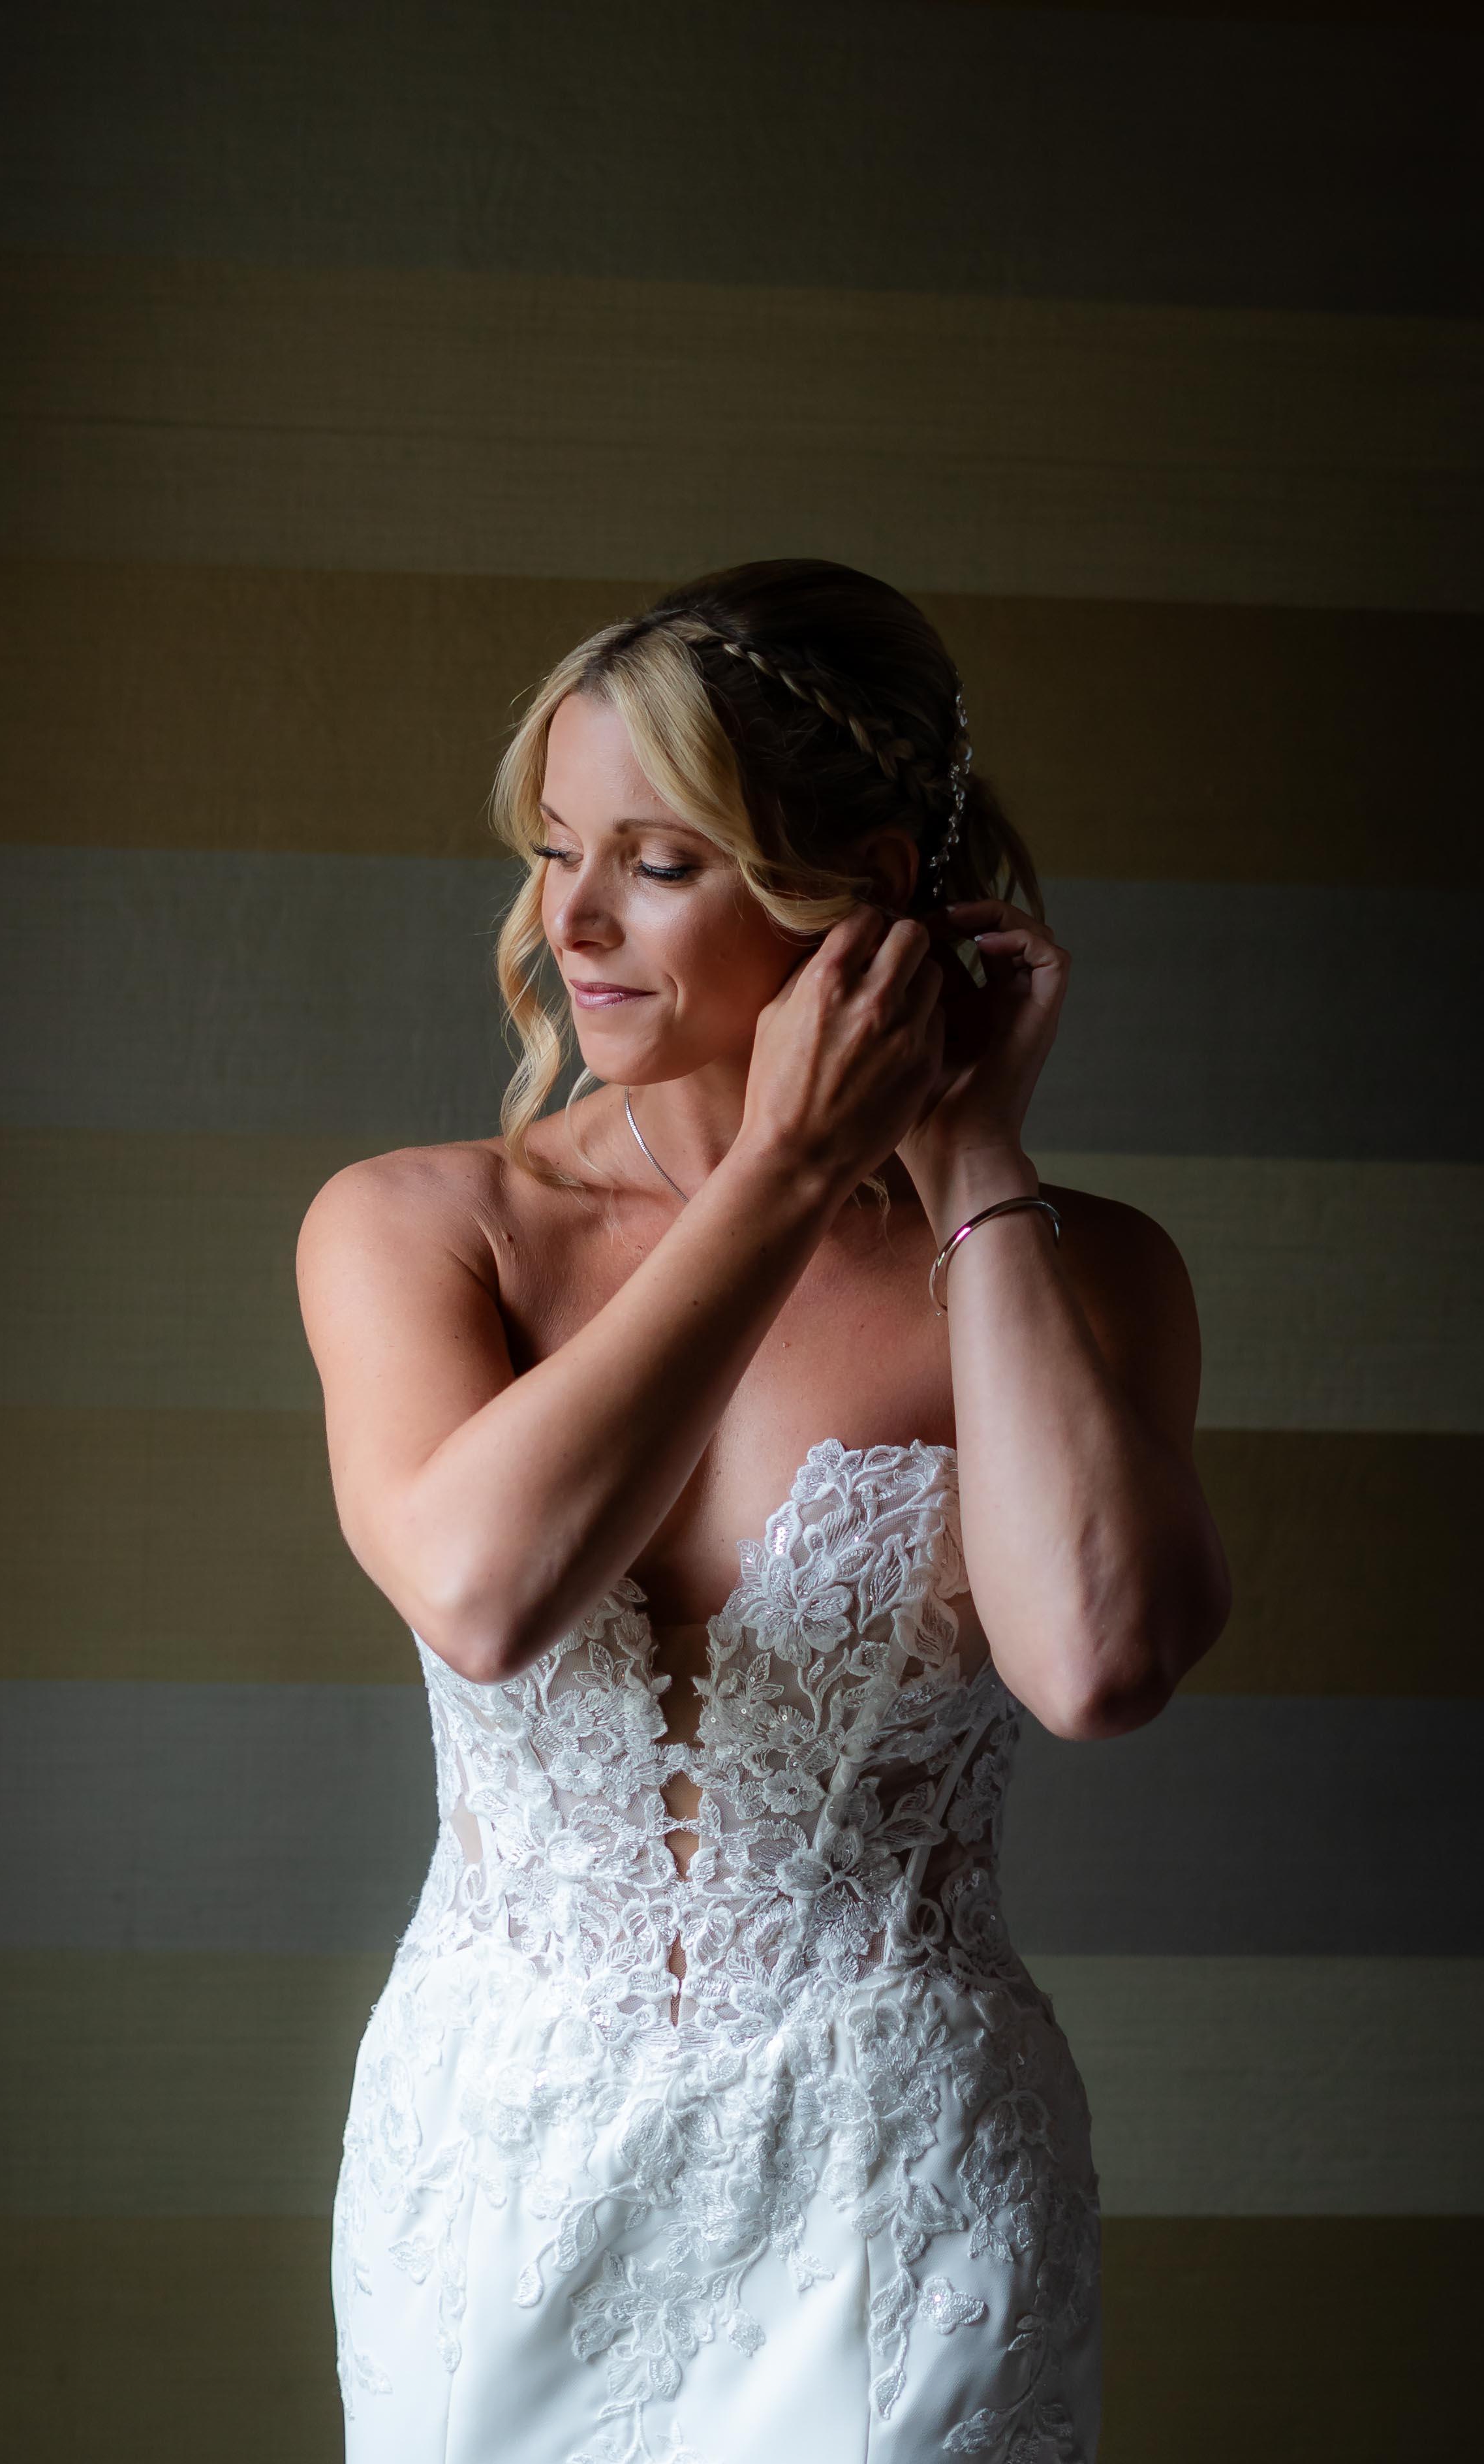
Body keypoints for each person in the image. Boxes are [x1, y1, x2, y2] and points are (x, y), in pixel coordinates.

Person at [296, 557, 1231, 2463]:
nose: (570, 919)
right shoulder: (424, 1228)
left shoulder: (1078, 1268)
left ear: (862, 885)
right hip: (495, 2172)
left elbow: (1098, 1664)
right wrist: (789, 1168)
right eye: (555, 849)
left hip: (900, 2183)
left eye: (657, 862)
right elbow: (485, 1595)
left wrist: (973, 1162)